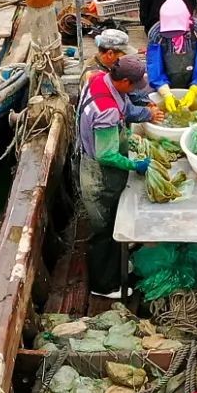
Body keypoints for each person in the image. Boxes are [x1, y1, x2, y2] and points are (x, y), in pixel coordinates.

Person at [77, 53, 153, 296]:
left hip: (90, 156)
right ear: (124, 83)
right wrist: (136, 166)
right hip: (98, 176)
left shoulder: (99, 79)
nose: (134, 90)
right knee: (104, 230)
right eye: (134, 86)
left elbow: (126, 108)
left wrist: (146, 114)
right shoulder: (107, 111)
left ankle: (114, 266)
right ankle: (104, 285)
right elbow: (107, 155)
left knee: (110, 227)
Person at [145, 0, 197, 110]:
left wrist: (195, 89)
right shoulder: (156, 34)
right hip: (168, 83)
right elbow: (154, 66)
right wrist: (166, 93)